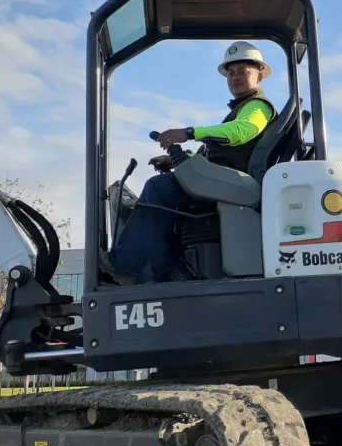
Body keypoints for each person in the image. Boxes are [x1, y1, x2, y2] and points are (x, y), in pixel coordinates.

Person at [105, 41, 277, 284]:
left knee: (158, 189)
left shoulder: (257, 106)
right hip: (224, 182)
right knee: (169, 201)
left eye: (243, 71)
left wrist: (189, 132)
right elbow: (215, 152)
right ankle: (168, 273)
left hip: (233, 185)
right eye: (231, 73)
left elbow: (242, 131)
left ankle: (123, 268)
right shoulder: (241, 109)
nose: (236, 77)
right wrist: (177, 160)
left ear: (259, 75)